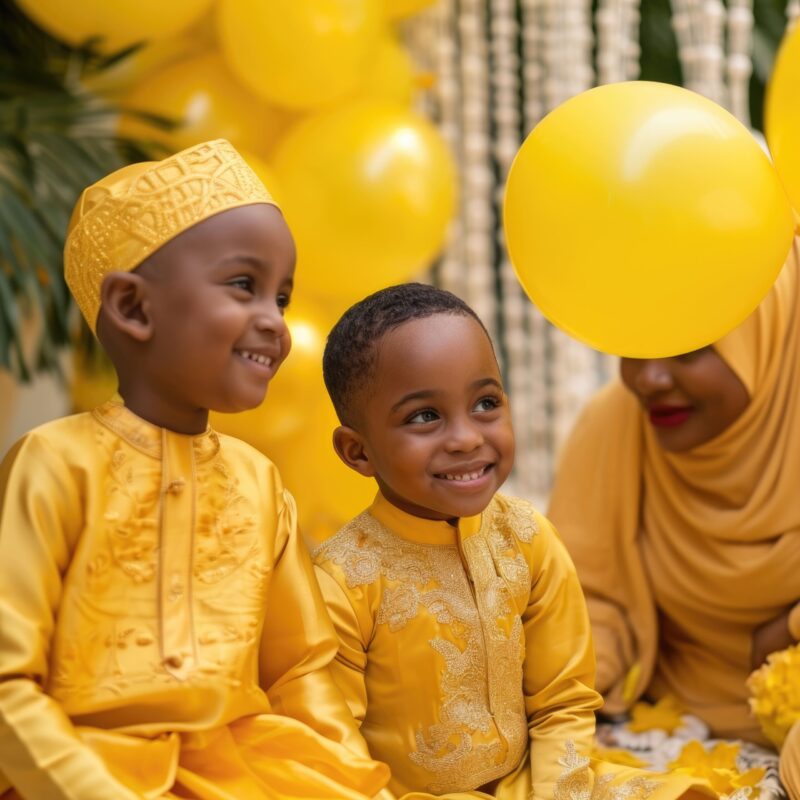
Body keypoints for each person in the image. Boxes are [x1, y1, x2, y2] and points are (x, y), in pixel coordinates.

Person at [0, 139, 389, 800]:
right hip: (74, 773)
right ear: (133, 307)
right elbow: (8, 683)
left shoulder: (258, 482)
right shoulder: (54, 464)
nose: (274, 322)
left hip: (245, 774)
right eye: (246, 286)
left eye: (283, 299)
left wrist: (351, 781)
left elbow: (299, 673)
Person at [312, 283, 710, 800]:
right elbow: (332, 749)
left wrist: (558, 792)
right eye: (425, 416)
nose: (467, 437)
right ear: (357, 452)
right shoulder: (341, 579)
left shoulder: (526, 537)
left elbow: (562, 698)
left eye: (485, 403)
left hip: (537, 785)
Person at [548, 241, 800, 797]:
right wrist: (554, 694)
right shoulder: (613, 425)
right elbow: (588, 603)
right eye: (637, 345)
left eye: (688, 348)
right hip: (670, 723)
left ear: (767, 339)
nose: (649, 379)